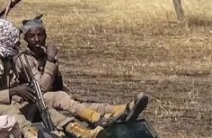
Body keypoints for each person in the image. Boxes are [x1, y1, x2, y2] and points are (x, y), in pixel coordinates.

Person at [0, 19, 103, 138]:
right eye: (15, 43)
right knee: (11, 112)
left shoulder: (4, 57)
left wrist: (22, 94)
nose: (18, 46)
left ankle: (77, 131)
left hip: (2, 102)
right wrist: (13, 92)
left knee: (41, 102)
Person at [18, 16, 148, 125]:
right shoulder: (24, 59)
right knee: (62, 97)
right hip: (34, 103)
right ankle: (97, 119)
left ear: (45, 36)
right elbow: (41, 89)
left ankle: (124, 109)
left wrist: (68, 91)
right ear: (26, 40)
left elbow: (58, 83)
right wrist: (51, 61)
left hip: (51, 100)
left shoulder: (46, 54)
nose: (36, 39)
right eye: (32, 36)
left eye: (40, 35)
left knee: (81, 104)